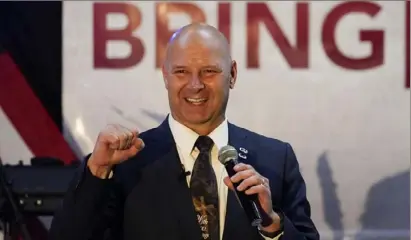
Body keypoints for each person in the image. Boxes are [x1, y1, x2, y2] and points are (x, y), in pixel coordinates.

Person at [49, 23, 319, 240]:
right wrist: (97, 171)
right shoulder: (124, 162)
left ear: (233, 74)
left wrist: (273, 225)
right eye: (181, 72)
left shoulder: (275, 158)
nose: (195, 85)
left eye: (209, 71)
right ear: (165, 76)